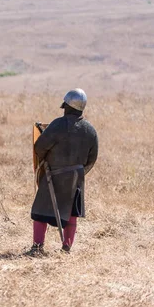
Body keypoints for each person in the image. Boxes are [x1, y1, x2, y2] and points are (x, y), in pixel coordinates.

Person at [30, 88, 98, 254]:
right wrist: (77, 174)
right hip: (76, 178)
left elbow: (39, 148)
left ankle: (37, 247)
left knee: (40, 211)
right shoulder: (90, 130)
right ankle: (66, 248)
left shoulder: (57, 125)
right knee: (71, 214)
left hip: (52, 176)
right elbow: (92, 159)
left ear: (66, 106)